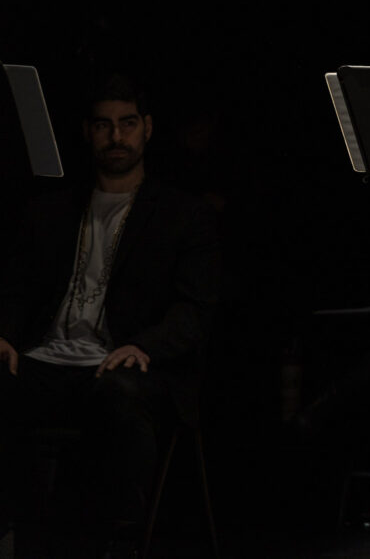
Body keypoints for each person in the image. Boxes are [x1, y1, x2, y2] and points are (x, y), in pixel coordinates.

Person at [0, 75, 219, 558]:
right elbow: (18, 287)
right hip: (48, 359)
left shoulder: (181, 215)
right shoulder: (51, 210)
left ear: (147, 128)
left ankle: (117, 542)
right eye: (104, 125)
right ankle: (19, 528)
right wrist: (7, 335)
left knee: (119, 393)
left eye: (127, 123)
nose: (116, 136)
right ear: (87, 131)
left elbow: (195, 309)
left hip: (121, 362)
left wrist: (145, 345)